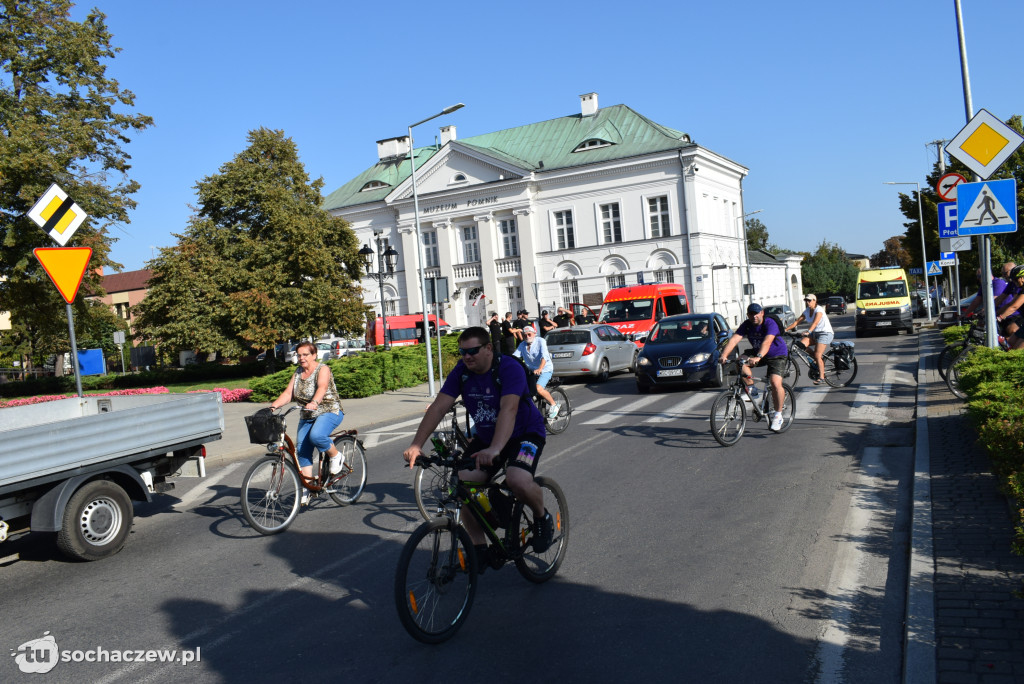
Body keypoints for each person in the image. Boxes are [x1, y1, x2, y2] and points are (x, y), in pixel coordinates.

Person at [403, 327, 554, 564]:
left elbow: (509, 409)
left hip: (525, 433)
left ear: (489, 349)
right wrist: (416, 444)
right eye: (462, 352)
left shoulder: (508, 368)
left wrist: (495, 450)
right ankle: (480, 547)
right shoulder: (462, 372)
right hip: (487, 437)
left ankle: (541, 517)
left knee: (517, 479)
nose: (467, 357)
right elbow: (439, 407)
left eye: (473, 351)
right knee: (461, 484)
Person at [268, 341, 345, 506]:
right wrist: (272, 407)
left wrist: (315, 402)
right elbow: (289, 394)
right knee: (302, 450)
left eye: (305, 355)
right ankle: (308, 487)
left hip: (328, 410)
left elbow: (322, 387)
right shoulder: (297, 373)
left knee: (317, 435)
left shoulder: (322, 369)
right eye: (299, 355)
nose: (301, 358)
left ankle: (336, 455)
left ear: (314, 355)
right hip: (307, 414)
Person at [718, 303, 789, 432]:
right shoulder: (747, 324)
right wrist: (724, 355)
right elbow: (734, 340)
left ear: (762, 313)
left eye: (756, 313)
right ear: (748, 315)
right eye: (751, 314)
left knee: (774, 382)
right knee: (740, 361)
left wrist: (758, 357)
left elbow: (767, 342)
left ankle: (778, 415)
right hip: (758, 353)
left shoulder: (769, 323)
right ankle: (752, 389)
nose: (754, 316)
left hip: (777, 354)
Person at [785, 293, 834, 385]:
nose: (807, 302)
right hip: (815, 334)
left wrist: (808, 331)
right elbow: (797, 322)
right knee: (799, 345)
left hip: (825, 333)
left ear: (814, 301)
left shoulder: (819, 310)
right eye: (806, 300)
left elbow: (815, 323)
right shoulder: (807, 310)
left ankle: (822, 377)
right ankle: (816, 359)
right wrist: (785, 329)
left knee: (818, 355)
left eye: (809, 300)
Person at [514, 325, 560, 419]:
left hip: (545, 369)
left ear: (534, 334)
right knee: (523, 390)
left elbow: (544, 357)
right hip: (531, 371)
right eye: (524, 335)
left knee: (538, 388)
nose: (527, 336)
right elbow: (514, 358)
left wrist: (540, 369)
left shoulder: (540, 341)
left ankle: (554, 405)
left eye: (529, 334)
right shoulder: (522, 345)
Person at [996, 265, 1024, 338]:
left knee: (1017, 348)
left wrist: (1001, 317)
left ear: (1022, 278)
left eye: (1015, 279)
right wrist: (995, 313)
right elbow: (1011, 304)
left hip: (1019, 317)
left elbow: (1014, 307)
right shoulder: (1021, 289)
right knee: (1010, 343)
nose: (1014, 282)